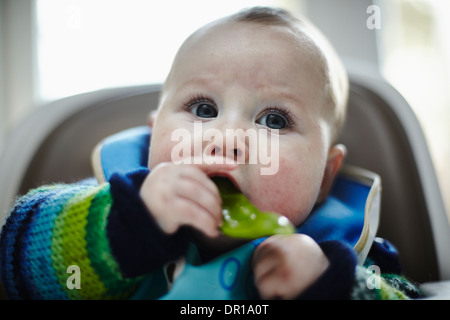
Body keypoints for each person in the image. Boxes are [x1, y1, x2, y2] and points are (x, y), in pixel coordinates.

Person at [0, 6, 422, 300]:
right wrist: (122, 227)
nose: (228, 137)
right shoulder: (111, 206)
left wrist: (330, 285)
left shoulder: (348, 255)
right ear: (153, 137)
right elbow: (13, 263)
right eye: (203, 110)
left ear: (325, 176)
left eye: (274, 121)